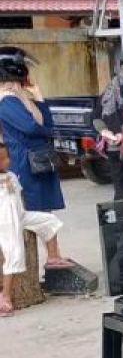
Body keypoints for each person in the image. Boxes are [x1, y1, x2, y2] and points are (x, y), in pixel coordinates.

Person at [0, 143, 66, 315]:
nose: (5, 162)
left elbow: (20, 197)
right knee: (14, 254)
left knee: (49, 220)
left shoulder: (12, 176)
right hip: (5, 223)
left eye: (6, 158)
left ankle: (52, 256)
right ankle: (5, 296)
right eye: (1, 160)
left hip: (20, 217)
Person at [0, 47, 65, 216]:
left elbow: (47, 123)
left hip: (38, 163)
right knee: (34, 216)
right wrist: (48, 132)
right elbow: (31, 127)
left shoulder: (20, 98)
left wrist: (38, 97)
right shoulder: (6, 101)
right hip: (25, 165)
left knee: (45, 217)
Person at [94, 56, 123, 196]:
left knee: (120, 185)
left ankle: (122, 215)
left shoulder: (107, 93)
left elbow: (96, 118)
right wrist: (119, 134)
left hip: (113, 146)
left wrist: (106, 132)